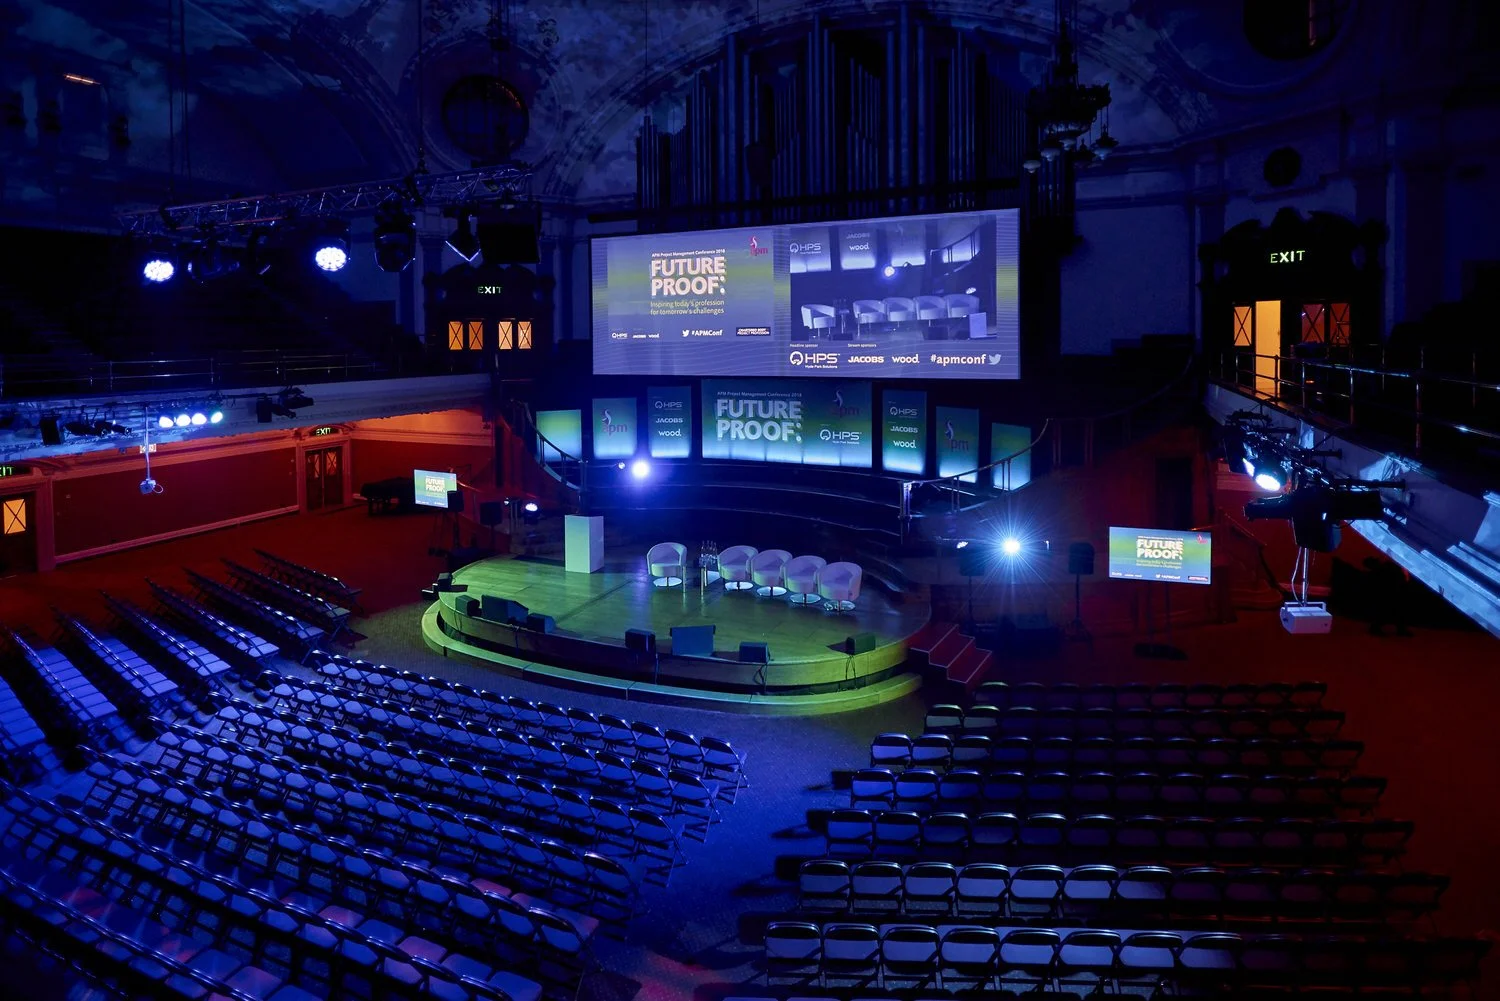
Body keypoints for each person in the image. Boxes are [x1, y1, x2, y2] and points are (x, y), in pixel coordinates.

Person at [1365, 557, 1412, 636]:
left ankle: (1400, 629)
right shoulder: (1388, 567)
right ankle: (1377, 627)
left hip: (1393, 592)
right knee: (1392, 610)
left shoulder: (1388, 567)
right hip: (1392, 592)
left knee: (1394, 610)